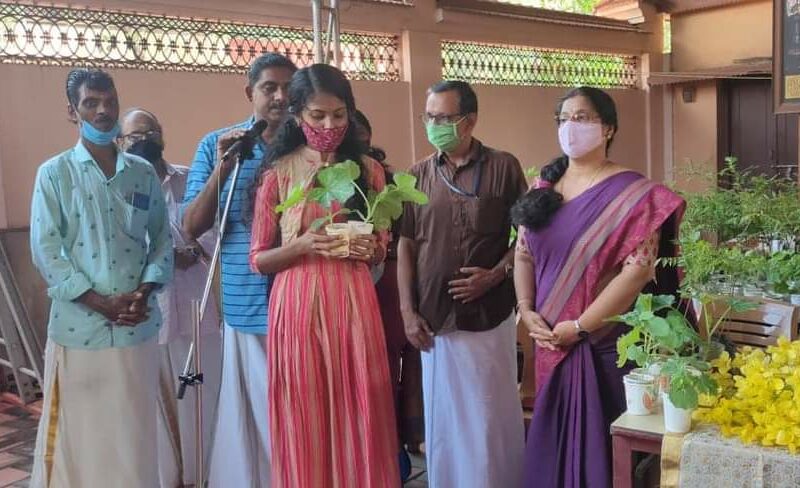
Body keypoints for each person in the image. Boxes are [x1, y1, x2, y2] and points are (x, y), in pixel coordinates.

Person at [512, 86, 685, 488]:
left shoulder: (635, 195)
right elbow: (523, 254)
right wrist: (525, 307)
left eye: (583, 117)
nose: (571, 127)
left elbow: (637, 272)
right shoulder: (543, 188)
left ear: (608, 128)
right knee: (550, 443)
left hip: (602, 343)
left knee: (604, 453)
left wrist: (581, 326)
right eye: (564, 118)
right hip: (548, 340)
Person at [249, 63, 399, 487]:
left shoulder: (368, 170)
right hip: (296, 306)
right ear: (297, 114)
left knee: (359, 409)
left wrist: (374, 248)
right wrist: (300, 247)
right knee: (306, 413)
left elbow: (381, 243)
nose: (329, 124)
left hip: (353, 303)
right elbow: (258, 258)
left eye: (338, 114)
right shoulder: (278, 172)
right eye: (318, 115)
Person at [29, 68, 173, 487]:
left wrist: (144, 292)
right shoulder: (54, 174)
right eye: (91, 102)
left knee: (134, 431)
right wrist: (99, 302)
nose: (104, 110)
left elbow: (162, 240)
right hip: (80, 330)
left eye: (109, 100)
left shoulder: (142, 174)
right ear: (73, 111)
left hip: (135, 329)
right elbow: (46, 249)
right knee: (82, 435)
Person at [397, 80, 527, 488]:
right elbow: (405, 246)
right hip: (434, 320)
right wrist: (407, 311)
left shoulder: (504, 167)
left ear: (469, 121)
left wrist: (496, 274)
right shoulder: (416, 175)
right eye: (429, 117)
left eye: (444, 117)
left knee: (489, 414)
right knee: (446, 418)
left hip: (488, 317)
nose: (434, 125)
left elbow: (526, 238)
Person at [182, 52, 296, 487]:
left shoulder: (307, 147)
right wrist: (225, 167)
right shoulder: (217, 144)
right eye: (270, 87)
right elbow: (192, 226)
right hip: (247, 306)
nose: (280, 97)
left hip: (301, 304)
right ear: (251, 93)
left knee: (296, 417)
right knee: (256, 422)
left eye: (289, 87)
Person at [119, 108, 222, 488]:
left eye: (150, 131)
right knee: (159, 403)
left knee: (200, 396)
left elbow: (210, 232)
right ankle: (168, 479)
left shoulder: (188, 179)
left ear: (161, 134)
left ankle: (204, 475)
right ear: (121, 142)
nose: (143, 139)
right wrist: (161, 259)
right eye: (133, 136)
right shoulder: (119, 188)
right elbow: (120, 249)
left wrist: (190, 253)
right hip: (151, 314)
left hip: (196, 309)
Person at [353, 110, 423, 481]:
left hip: (387, 281)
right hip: (352, 286)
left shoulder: (387, 179)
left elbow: (402, 236)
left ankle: (396, 452)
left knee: (390, 369)